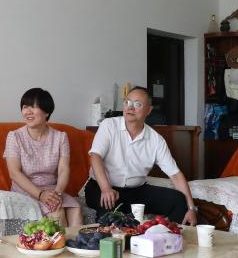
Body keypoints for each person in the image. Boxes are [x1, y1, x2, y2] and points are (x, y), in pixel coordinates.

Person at [84, 86, 196, 225]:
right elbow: (95, 156)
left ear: (148, 110)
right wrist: (106, 188)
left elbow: (175, 175)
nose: (130, 108)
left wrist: (191, 208)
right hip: (101, 187)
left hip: (136, 192)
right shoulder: (109, 125)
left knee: (178, 200)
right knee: (110, 215)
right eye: (127, 102)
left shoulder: (155, 139)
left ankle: (165, 236)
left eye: (137, 104)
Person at [4, 88, 82, 228]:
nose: (27, 111)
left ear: (47, 112)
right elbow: (14, 173)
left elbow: (63, 170)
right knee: (57, 212)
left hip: (52, 190)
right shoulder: (14, 137)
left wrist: (57, 193)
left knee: (75, 210)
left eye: (33, 107)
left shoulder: (60, 137)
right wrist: (41, 195)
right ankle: (60, 243)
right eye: (25, 107)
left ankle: (77, 243)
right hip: (25, 190)